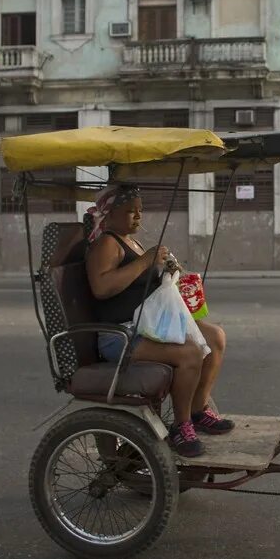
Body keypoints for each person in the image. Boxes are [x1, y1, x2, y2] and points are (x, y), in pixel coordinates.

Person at [85, 184, 233, 458]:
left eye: (140, 210)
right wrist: (144, 262)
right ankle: (181, 426)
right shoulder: (106, 243)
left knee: (215, 337)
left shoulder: (133, 241)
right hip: (120, 336)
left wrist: (166, 269)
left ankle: (198, 410)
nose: (138, 217)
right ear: (108, 214)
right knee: (190, 353)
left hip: (147, 325)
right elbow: (101, 288)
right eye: (130, 211)